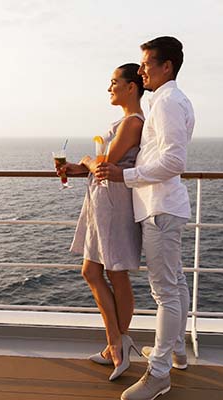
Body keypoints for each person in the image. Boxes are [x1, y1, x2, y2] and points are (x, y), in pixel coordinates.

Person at [96, 36, 195, 400]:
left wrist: (126, 176)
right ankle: (176, 353)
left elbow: (174, 161)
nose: (141, 71)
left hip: (160, 207)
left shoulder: (167, 101)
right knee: (176, 284)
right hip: (165, 205)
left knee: (165, 291)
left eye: (147, 64)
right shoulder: (169, 100)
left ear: (166, 66)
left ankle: (158, 375)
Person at [57, 63, 145, 381]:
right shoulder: (122, 122)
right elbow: (101, 167)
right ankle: (117, 344)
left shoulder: (133, 123)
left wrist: (86, 160)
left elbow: (105, 163)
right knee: (98, 270)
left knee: (111, 272)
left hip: (114, 205)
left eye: (114, 83)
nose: (109, 88)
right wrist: (75, 167)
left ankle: (115, 345)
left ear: (131, 87)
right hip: (103, 204)